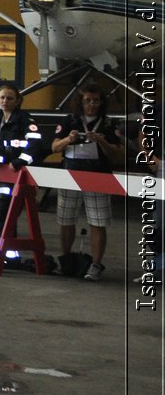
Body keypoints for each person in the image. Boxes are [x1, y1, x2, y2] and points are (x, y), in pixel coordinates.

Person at [49, 86, 127, 281]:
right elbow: (54, 146)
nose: (91, 105)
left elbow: (116, 153)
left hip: (98, 175)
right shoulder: (70, 120)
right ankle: (66, 260)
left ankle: (95, 264)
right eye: (87, 101)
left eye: (95, 101)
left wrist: (101, 141)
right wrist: (69, 138)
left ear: (101, 103)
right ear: (80, 102)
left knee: (98, 221)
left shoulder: (108, 124)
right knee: (66, 219)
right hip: (70, 174)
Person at [0, 84, 42, 271]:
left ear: (18, 101)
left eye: (10, 98)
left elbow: (35, 144)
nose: (5, 101)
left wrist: (20, 161)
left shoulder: (25, 120)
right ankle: (10, 257)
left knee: (2, 218)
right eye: (2, 97)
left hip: (14, 177)